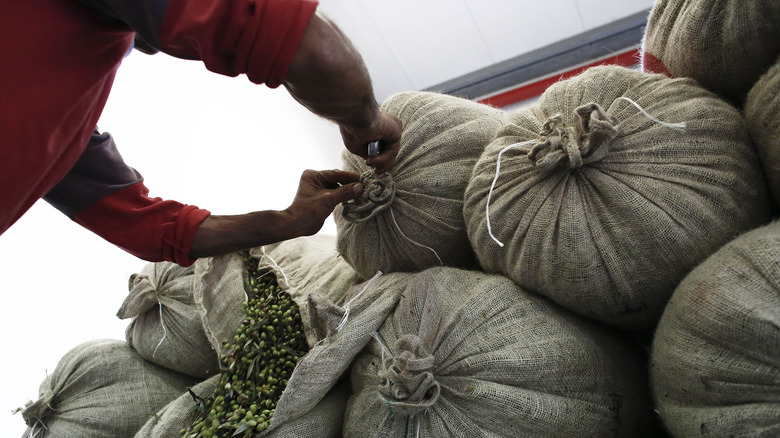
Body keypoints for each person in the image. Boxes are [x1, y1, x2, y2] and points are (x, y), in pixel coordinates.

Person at [1, 0, 403, 266]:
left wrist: (289, 221)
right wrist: (366, 123)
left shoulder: (62, 124)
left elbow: (151, 230)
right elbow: (309, 47)